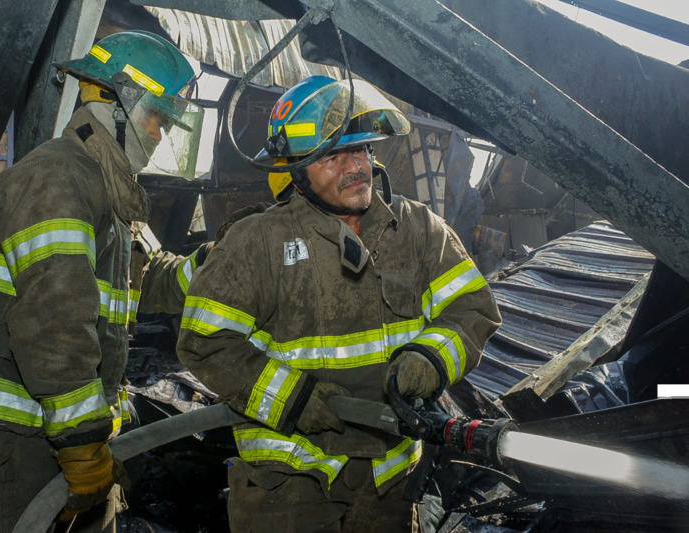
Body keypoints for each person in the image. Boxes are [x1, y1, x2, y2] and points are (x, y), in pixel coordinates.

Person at [177, 75, 502, 532]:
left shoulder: (418, 230)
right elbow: (205, 342)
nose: (355, 166)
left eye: (361, 150)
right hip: (291, 483)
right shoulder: (258, 241)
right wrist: (292, 399)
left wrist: (430, 358)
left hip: (388, 482)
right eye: (332, 156)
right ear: (298, 171)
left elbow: (472, 309)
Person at [0, 31, 207, 532]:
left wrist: (218, 262)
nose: (160, 137)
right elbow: (55, 319)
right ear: (119, 103)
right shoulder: (57, 178)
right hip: (0, 450)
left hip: (52, 440)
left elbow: (146, 281)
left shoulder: (108, 193)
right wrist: (83, 443)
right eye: (158, 120)